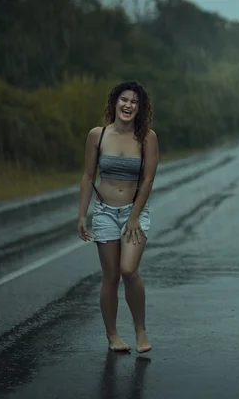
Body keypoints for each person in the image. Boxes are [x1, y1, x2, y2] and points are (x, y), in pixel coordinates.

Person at [77, 81, 159, 354]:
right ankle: (112, 335)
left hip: (133, 212)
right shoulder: (97, 135)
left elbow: (148, 179)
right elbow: (88, 176)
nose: (128, 105)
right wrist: (82, 215)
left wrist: (134, 215)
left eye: (134, 102)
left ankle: (140, 330)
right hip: (104, 212)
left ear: (140, 108)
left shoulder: (147, 137)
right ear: (114, 103)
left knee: (129, 270)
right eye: (124, 100)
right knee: (110, 276)